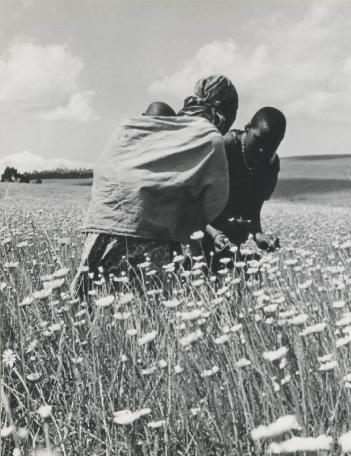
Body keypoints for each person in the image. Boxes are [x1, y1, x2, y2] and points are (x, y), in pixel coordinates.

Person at [70, 75, 238, 296]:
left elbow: (110, 166)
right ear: (225, 112)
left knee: (90, 301)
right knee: (142, 308)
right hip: (150, 235)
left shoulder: (151, 126)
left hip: (103, 226)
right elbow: (213, 203)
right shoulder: (209, 139)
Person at [201, 107, 286, 269]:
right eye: (259, 141)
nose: (263, 150)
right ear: (248, 128)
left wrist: (258, 234)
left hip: (227, 239)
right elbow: (193, 204)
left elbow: (253, 210)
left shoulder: (270, 164)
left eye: (272, 145)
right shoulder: (223, 148)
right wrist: (214, 233)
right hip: (199, 233)